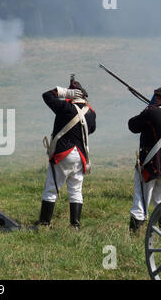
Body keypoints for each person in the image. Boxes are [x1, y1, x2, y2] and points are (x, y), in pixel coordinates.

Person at [37, 78, 96, 230]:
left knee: (51, 188)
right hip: (81, 156)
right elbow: (91, 129)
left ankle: (44, 224)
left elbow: (47, 95)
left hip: (63, 154)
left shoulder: (65, 107)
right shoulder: (91, 113)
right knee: (76, 190)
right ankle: (74, 225)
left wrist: (63, 92)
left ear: (71, 94)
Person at [128, 88, 161, 232]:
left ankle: (134, 235)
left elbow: (133, 125)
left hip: (151, 164)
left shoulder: (151, 112)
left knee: (140, 199)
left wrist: (148, 109)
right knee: (159, 200)